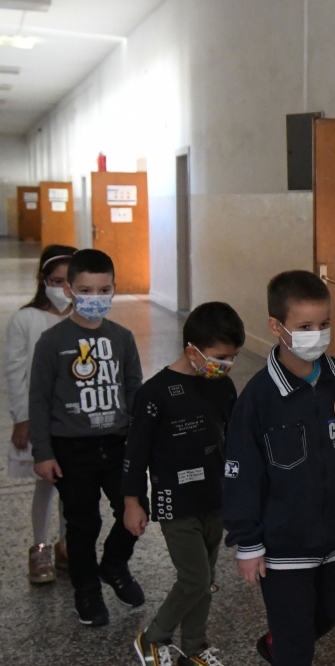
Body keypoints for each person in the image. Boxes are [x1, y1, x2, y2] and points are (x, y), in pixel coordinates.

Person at [223, 270, 335, 666]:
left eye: (324, 324)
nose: (318, 334)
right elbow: (241, 474)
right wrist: (248, 542)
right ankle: (288, 647)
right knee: (297, 645)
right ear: (277, 327)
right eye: (305, 326)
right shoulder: (258, 397)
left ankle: (280, 643)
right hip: (283, 548)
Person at [123, 302, 245, 666]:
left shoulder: (221, 386)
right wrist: (133, 500)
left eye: (233, 357)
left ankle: (193, 648)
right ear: (192, 350)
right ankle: (153, 637)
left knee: (205, 580)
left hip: (215, 497)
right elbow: (135, 453)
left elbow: (234, 438)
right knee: (194, 579)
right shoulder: (155, 394)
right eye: (220, 357)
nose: (226, 365)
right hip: (175, 503)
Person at [30, 248, 146, 626]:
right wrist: (43, 452)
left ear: (113, 289)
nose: (94, 298)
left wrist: (138, 439)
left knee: (137, 508)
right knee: (82, 524)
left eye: (103, 290)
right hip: (72, 448)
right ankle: (86, 589)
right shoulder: (52, 341)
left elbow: (134, 390)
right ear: (70, 292)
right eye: (85, 290)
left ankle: (113, 564)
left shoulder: (123, 338)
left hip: (117, 444)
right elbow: (39, 399)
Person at [4, 244, 76, 584]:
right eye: (55, 280)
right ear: (43, 280)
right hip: (41, 418)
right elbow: (15, 372)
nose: (62, 289)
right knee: (45, 485)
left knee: (72, 487)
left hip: (75, 419)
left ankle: (67, 545)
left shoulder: (85, 319)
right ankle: (40, 547)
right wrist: (22, 418)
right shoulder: (25, 319)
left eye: (69, 281)